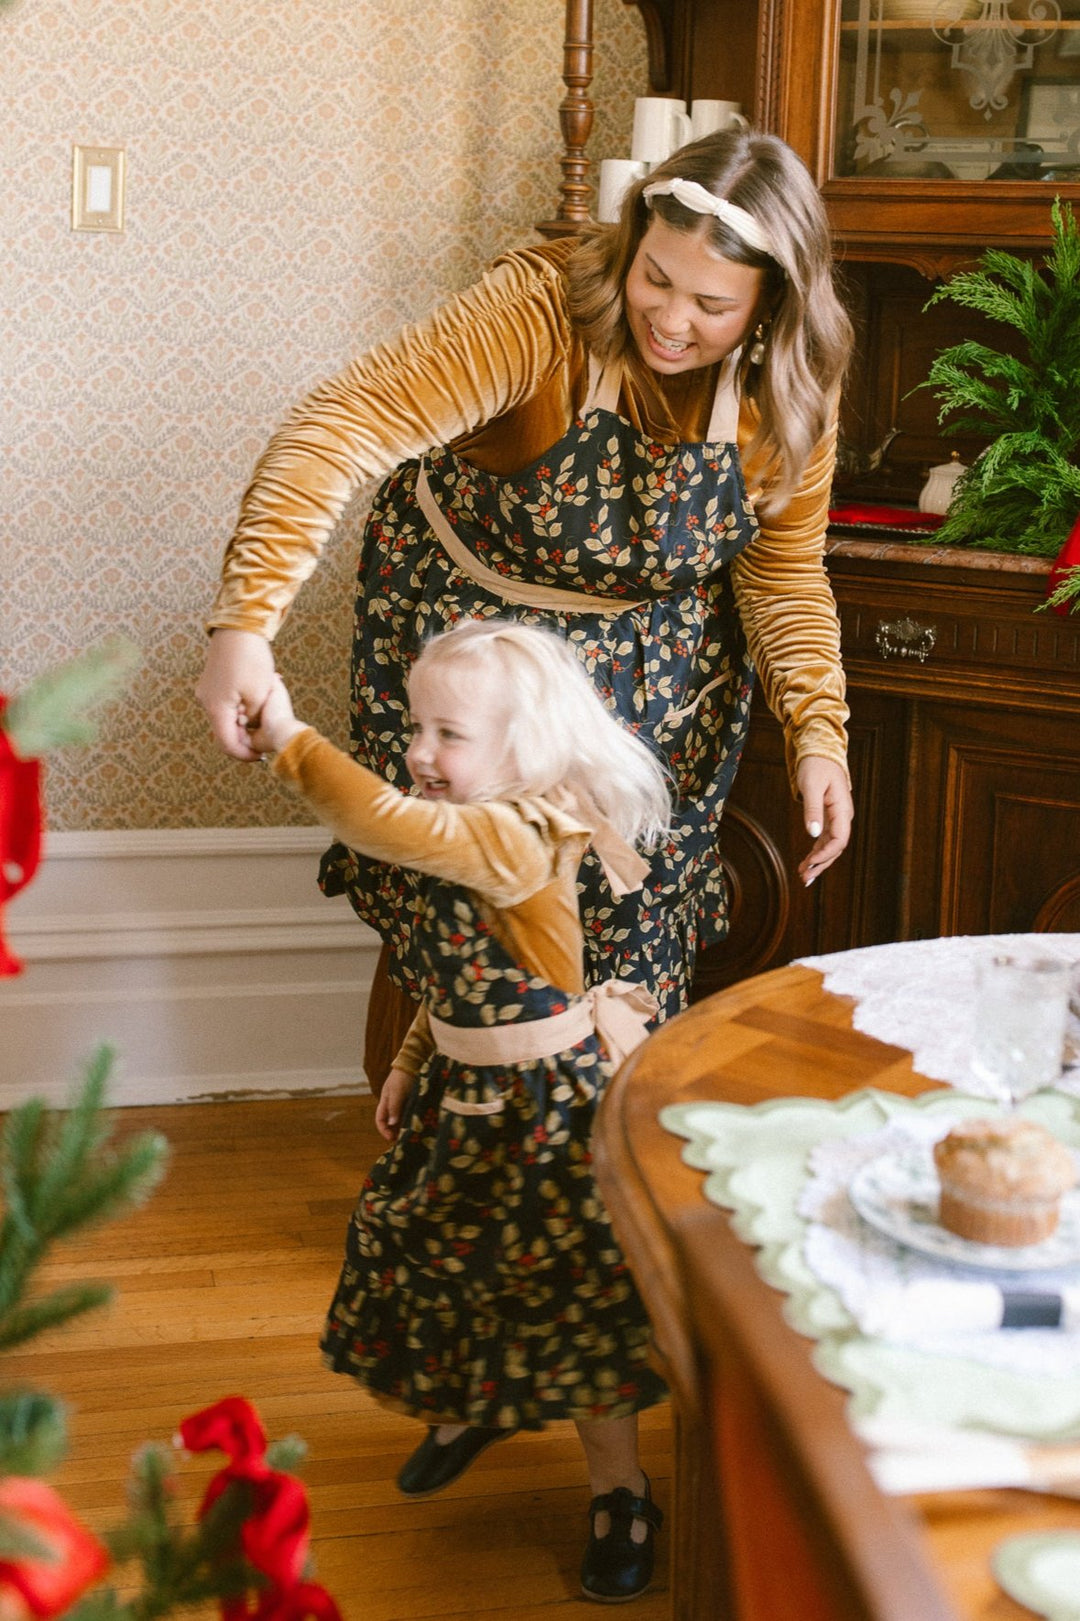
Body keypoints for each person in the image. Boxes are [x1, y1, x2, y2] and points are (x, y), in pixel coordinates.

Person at [196, 125, 855, 1090]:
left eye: (711, 304)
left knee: (631, 913)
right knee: (466, 897)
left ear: (772, 308)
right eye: (654, 277)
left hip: (656, 674)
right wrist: (245, 624)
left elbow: (782, 573)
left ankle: (599, 1175)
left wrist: (819, 730)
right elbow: (338, 426)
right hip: (478, 646)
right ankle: (435, 1150)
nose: (670, 320)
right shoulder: (540, 311)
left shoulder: (789, 389)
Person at [247, 618, 672, 1603]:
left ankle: (622, 1494)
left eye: (448, 735)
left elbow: (390, 821)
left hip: (543, 1113)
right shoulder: (476, 828)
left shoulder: (516, 833)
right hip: (463, 1091)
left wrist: (287, 736)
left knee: (575, 1308)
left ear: (524, 753)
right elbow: (460, 978)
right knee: (449, 1262)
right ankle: (477, 1401)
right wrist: (410, 1055)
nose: (417, 754)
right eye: (415, 727)